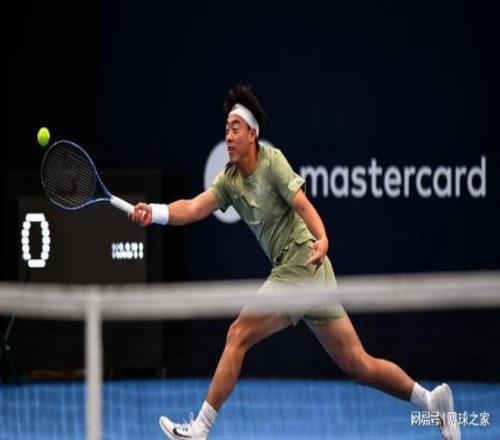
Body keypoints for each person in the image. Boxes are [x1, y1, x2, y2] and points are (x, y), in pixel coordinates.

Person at [129, 84, 460, 440]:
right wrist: (156, 212)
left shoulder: (272, 162)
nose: (228, 136)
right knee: (358, 364)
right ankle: (431, 401)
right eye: (226, 129)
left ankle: (200, 428)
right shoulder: (229, 180)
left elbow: (303, 204)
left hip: (301, 263)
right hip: (309, 273)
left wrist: (323, 238)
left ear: (253, 134)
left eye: (235, 128)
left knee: (237, 334)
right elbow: (193, 207)